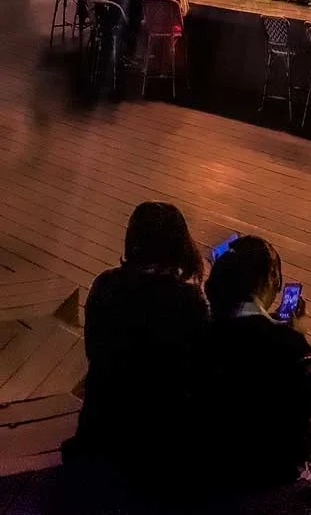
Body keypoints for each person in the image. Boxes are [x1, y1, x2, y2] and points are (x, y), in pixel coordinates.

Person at [65, 203, 209, 488]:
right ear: (180, 245)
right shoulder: (189, 301)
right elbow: (197, 370)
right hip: (161, 439)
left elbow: (95, 350)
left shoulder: (105, 285)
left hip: (102, 427)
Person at [203, 236, 311, 491]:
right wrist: (298, 337)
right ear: (269, 279)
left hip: (212, 463)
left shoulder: (201, 331)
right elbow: (308, 399)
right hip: (269, 471)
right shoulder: (284, 343)